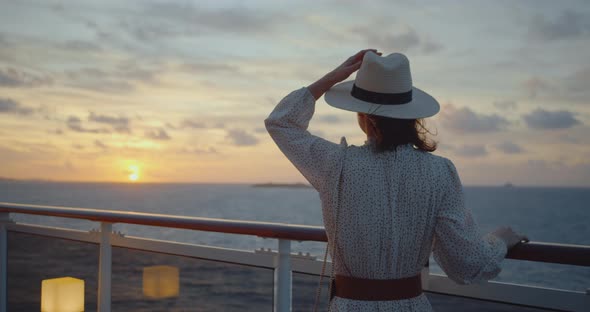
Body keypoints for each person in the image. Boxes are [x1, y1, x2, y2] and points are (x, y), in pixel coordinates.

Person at [265, 49, 528, 312]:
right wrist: (500, 241)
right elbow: (468, 266)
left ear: (363, 115)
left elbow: (281, 122)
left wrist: (335, 75)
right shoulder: (440, 172)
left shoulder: (336, 164)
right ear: (411, 115)